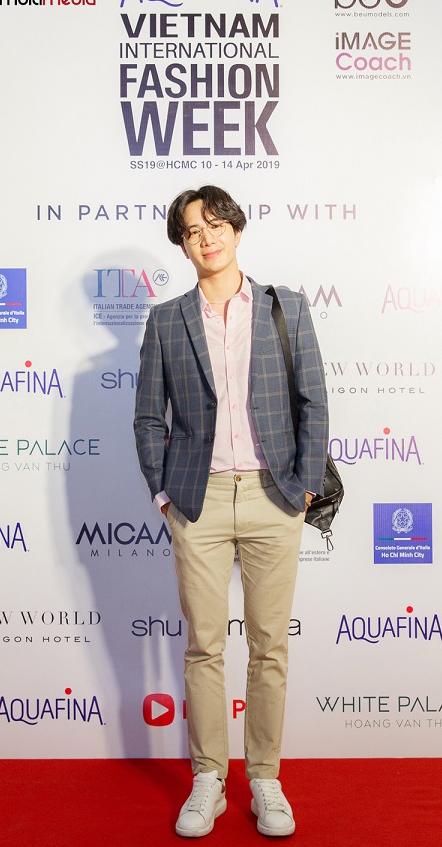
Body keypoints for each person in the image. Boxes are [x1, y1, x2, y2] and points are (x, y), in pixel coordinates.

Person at [134, 185, 328, 838]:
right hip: (200, 500)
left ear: (236, 230)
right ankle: (209, 777)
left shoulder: (285, 307)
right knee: (205, 647)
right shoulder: (167, 321)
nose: (206, 237)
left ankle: (265, 777)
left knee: (270, 646)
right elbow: (148, 416)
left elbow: (313, 403)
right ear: (183, 246)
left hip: (276, 495)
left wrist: (303, 486)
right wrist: (164, 494)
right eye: (193, 231)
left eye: (215, 224)